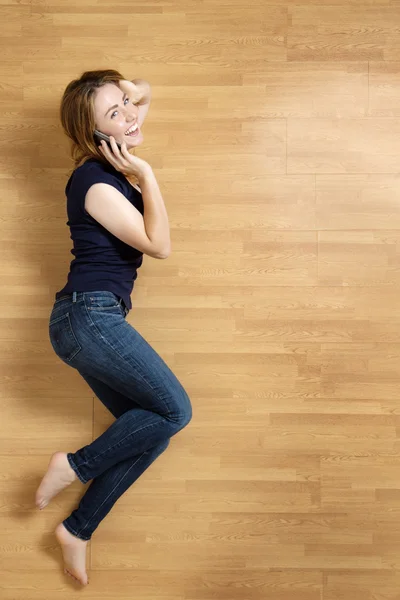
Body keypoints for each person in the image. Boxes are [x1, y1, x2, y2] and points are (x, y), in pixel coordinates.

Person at [35, 70, 192, 586]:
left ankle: (77, 530)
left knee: (150, 432)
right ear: (94, 135)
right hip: (88, 315)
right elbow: (159, 244)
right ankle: (76, 465)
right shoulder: (93, 182)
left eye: (128, 107)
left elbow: (143, 89)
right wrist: (147, 176)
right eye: (115, 115)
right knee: (175, 411)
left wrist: (116, 89)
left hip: (94, 319)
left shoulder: (112, 159)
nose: (130, 116)